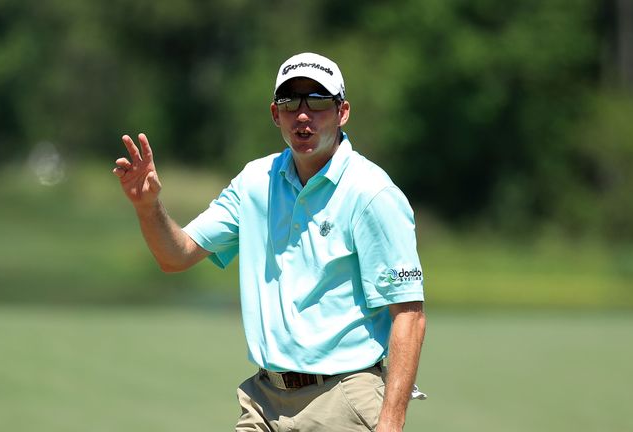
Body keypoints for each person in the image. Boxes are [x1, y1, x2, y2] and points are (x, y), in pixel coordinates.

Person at [113, 52, 426, 431]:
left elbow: (408, 313)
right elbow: (175, 255)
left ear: (342, 112)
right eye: (290, 101)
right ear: (276, 114)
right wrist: (148, 207)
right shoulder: (254, 182)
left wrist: (391, 421)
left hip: (343, 398)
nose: (303, 114)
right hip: (264, 399)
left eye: (319, 101)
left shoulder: (371, 192)